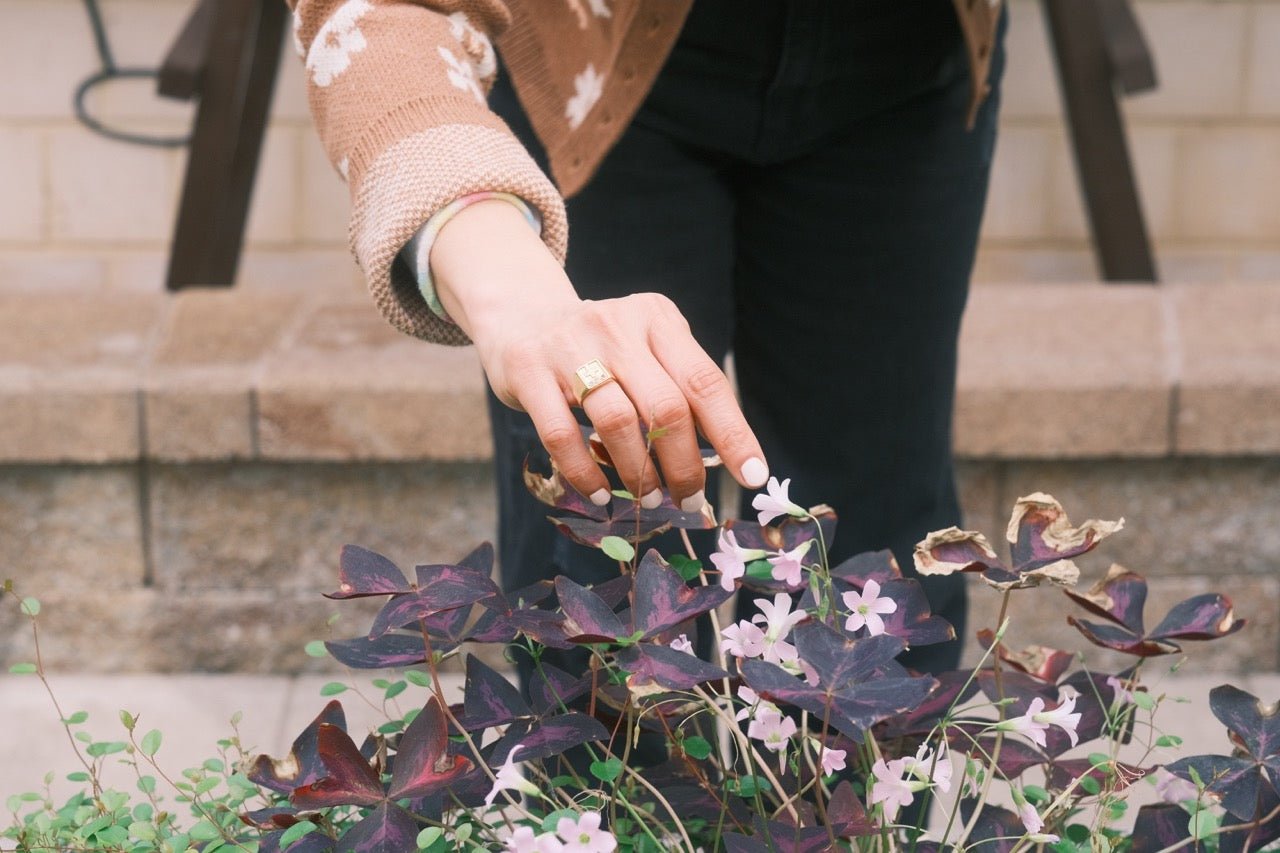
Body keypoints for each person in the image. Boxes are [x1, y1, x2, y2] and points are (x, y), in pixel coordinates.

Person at [288, 0, 1006, 674]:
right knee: (608, 567)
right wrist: (509, 285)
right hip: (592, 65)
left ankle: (863, 809)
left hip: (907, 60)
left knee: (872, 555)